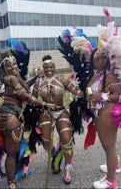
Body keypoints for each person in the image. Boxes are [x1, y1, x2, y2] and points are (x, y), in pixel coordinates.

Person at [86, 21, 121, 189]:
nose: (98, 60)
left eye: (102, 57)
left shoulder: (110, 76)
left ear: (107, 59)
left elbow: (119, 96)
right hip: (99, 113)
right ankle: (115, 165)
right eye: (96, 57)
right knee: (109, 145)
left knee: (108, 147)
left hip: (107, 113)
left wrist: (99, 96)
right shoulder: (97, 74)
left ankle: (111, 181)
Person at [0, 50, 55, 189]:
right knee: (12, 153)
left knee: (13, 151)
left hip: (9, 115)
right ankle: (11, 182)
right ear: (4, 68)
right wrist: (43, 104)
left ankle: (12, 179)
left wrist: (35, 78)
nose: (14, 67)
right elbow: (26, 97)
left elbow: (24, 87)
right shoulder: (12, 79)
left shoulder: (12, 78)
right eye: (10, 65)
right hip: (11, 117)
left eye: (15, 64)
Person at [31, 54, 84, 184]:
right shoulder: (38, 82)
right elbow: (32, 98)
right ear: (43, 68)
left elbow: (75, 90)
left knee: (66, 139)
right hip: (45, 113)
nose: (49, 69)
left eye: (51, 67)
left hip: (60, 112)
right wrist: (40, 104)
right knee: (46, 142)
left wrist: (84, 93)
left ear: (54, 68)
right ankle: (56, 157)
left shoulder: (62, 79)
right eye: (46, 67)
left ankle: (67, 166)